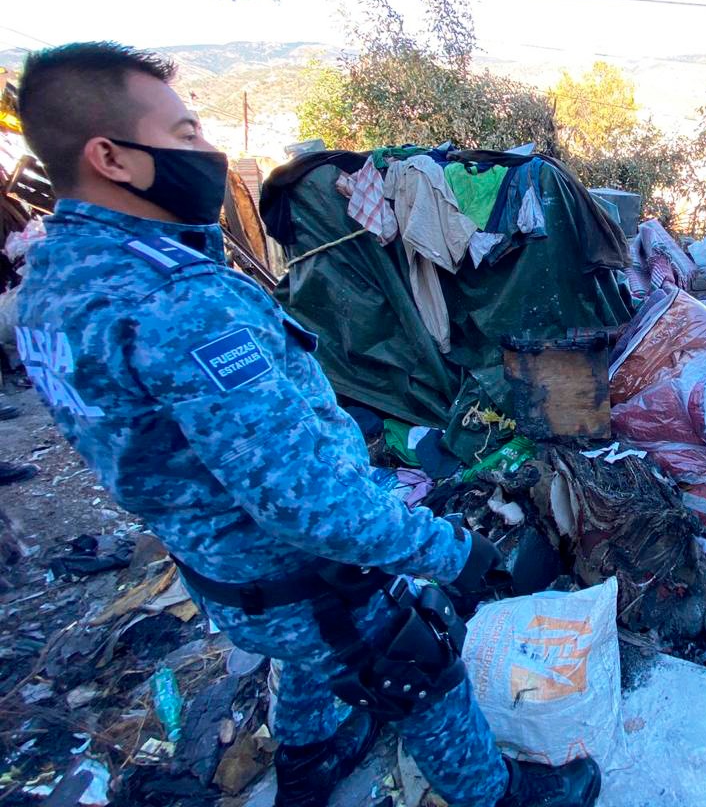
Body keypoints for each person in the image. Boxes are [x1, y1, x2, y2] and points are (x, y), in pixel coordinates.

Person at [13, 43, 601, 807]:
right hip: (294, 565)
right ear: (111, 157)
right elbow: (309, 507)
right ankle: (497, 793)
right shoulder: (184, 306)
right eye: (185, 132)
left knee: (318, 650)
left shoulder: (55, 281)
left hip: (217, 565)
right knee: (410, 661)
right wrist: (454, 552)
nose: (205, 149)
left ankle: (313, 753)